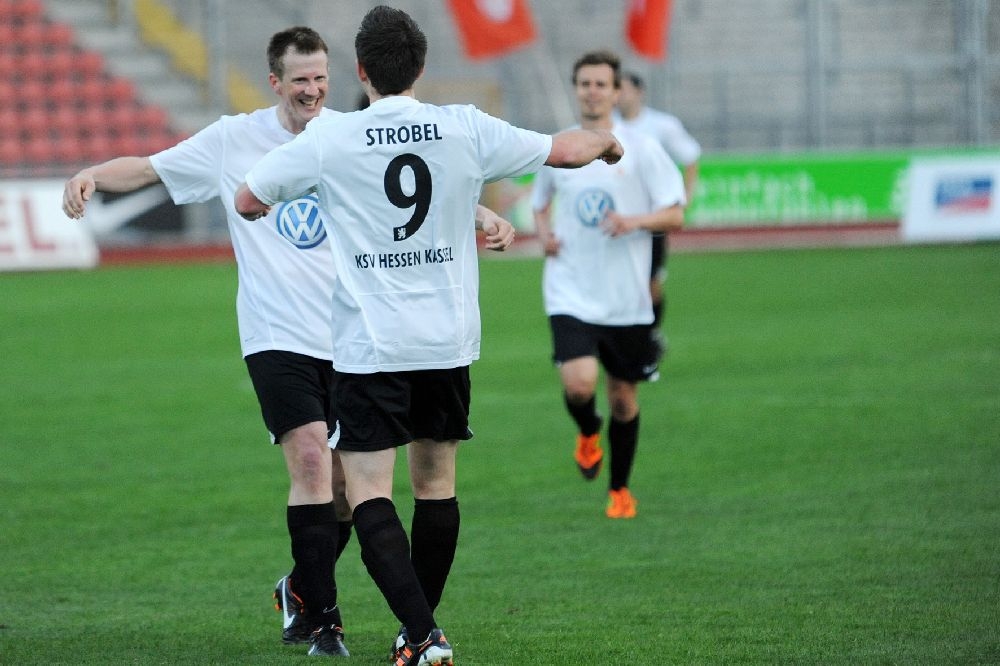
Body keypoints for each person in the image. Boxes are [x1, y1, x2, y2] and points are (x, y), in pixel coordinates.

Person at [62, 25, 514, 659]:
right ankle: (325, 622)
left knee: (345, 491)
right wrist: (91, 174)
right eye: (300, 79)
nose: (312, 89)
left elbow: (413, 193)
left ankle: (300, 587)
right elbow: (149, 167)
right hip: (277, 335)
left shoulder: (345, 136)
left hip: (353, 338)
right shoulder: (233, 139)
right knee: (310, 460)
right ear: (275, 82)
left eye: (321, 78)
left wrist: (482, 214)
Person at [234, 7, 623, 664]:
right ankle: (419, 634)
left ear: (361, 70)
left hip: (371, 345)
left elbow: (248, 199)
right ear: (420, 67)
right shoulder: (462, 125)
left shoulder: (333, 137)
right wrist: (606, 142)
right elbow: (563, 149)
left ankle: (422, 634)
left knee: (368, 492)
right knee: (437, 485)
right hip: (446, 340)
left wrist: (299, 198)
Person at [532, 51, 686, 519]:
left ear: (617, 92)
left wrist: (633, 222)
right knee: (579, 386)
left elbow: (675, 213)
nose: (592, 91)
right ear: (576, 89)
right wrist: (544, 234)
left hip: (625, 298)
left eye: (601, 84)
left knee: (623, 398)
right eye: (585, 83)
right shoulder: (558, 146)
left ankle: (619, 489)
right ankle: (586, 430)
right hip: (570, 289)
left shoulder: (643, 147)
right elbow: (540, 202)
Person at [615, 71, 701, 353]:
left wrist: (684, 197)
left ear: (640, 92)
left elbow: (690, 156)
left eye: (624, 88)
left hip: (651, 220)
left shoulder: (662, 126)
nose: (619, 95)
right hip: (616, 219)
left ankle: (650, 335)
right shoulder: (607, 127)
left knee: (650, 282)